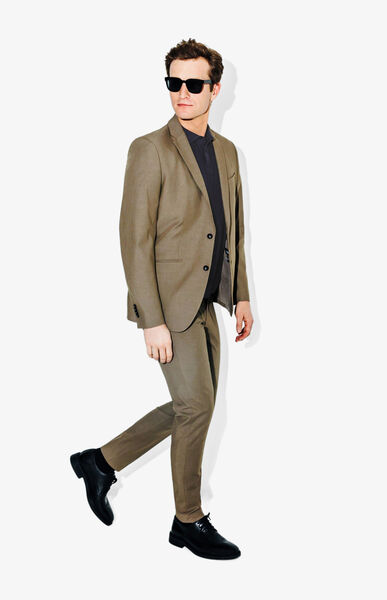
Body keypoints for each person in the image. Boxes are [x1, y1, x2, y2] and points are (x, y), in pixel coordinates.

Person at [70, 38, 253, 560]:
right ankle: (187, 520)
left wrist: (240, 295)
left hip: (208, 300)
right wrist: (151, 319)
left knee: (196, 406)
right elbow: (135, 239)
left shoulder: (227, 152)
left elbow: (234, 231)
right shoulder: (149, 149)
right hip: (169, 305)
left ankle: (100, 462)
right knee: (196, 406)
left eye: (194, 83)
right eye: (174, 82)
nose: (182, 93)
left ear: (215, 89)